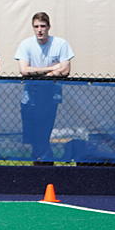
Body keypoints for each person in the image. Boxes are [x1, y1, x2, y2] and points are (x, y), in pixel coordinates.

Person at [14, 12, 74, 164]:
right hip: (30, 98)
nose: (40, 30)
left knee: (44, 135)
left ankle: (46, 167)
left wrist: (41, 75)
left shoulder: (60, 44)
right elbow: (24, 70)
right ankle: (39, 166)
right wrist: (51, 70)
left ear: (48, 27)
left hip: (50, 97)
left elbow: (66, 70)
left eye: (43, 26)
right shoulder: (25, 45)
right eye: (36, 27)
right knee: (33, 139)